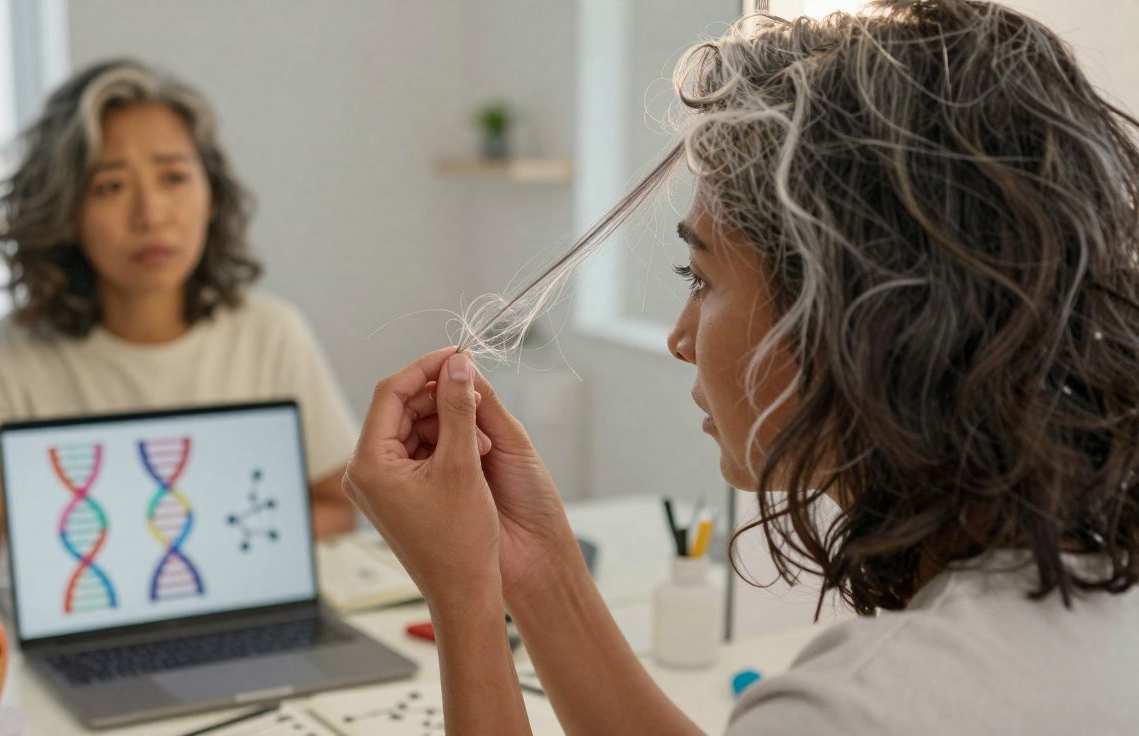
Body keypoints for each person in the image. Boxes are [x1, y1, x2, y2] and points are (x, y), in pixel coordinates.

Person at [342, 2, 1139, 734]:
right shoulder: (1090, 592)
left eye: (703, 279)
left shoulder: (863, 707)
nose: (680, 339)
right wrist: (537, 569)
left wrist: (465, 599)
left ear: (852, 315)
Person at [0, 60, 357, 598]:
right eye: (111, 186)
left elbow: (339, 505)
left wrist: (189, 547)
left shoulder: (270, 331)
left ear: (212, 195)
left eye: (174, 177)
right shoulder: (7, 357)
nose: (151, 213)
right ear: (66, 211)